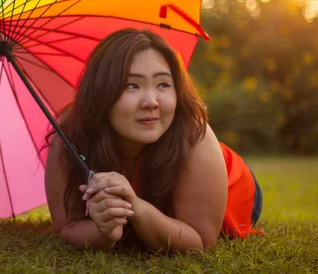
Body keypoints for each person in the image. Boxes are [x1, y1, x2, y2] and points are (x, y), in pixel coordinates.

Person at [44, 28, 263, 253]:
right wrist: (103, 232)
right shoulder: (70, 132)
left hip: (229, 185)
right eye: (132, 85)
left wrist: (134, 206)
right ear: (100, 91)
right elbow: (67, 226)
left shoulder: (195, 134)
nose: (151, 102)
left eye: (163, 85)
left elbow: (200, 241)